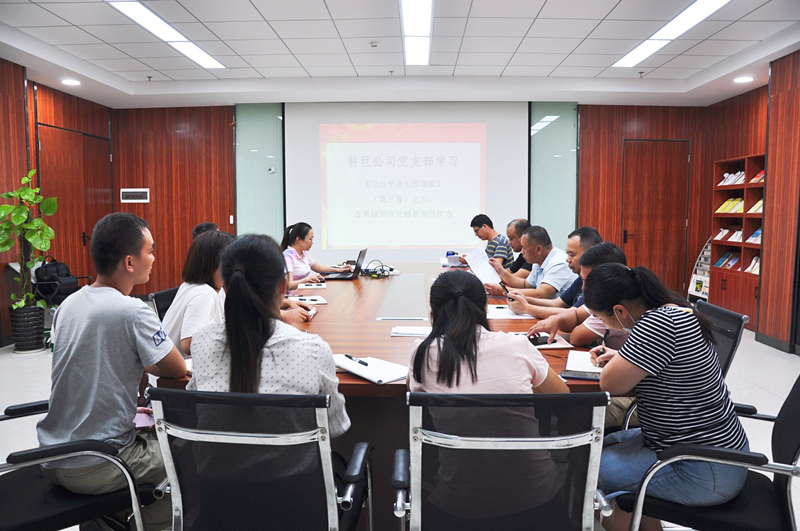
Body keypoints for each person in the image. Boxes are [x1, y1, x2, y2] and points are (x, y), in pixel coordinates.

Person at [187, 234, 353, 529]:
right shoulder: (312, 348)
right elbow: (336, 427)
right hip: (298, 511)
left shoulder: (202, 342)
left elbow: (195, 405)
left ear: (226, 285)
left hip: (220, 508)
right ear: (282, 288)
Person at [36, 213, 187, 531]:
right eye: (150, 251)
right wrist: (147, 356)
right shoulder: (131, 310)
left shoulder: (69, 304)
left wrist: (126, 408)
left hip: (54, 455)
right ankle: (135, 523)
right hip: (99, 462)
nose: (154, 258)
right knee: (188, 455)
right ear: (130, 262)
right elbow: (175, 367)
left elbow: (90, 370)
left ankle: (108, 519)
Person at [583, 264, 749, 531]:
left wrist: (622, 358)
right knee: (593, 449)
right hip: (705, 451)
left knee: (587, 470)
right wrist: (624, 357)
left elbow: (610, 383)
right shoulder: (674, 310)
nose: (603, 325)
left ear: (620, 311)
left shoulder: (656, 325)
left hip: (703, 469)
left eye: (601, 318)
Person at [408, 270, 570, 529]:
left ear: (433, 312)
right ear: (485, 307)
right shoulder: (518, 346)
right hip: (538, 504)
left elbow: (415, 394)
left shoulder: (422, 353)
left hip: (458, 507)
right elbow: (563, 396)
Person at [163, 230, 234, 357]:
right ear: (212, 263)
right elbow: (189, 344)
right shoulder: (204, 294)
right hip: (182, 368)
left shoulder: (202, 287)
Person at [507, 226, 602, 318]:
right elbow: (557, 303)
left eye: (572, 255)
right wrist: (525, 299)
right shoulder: (581, 279)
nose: (567, 259)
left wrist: (527, 308)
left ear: (589, 255)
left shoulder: (599, 283)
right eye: (567, 253)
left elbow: (575, 313)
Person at [486, 225, 576, 299]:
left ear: (538, 249)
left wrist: (503, 290)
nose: (522, 252)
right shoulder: (539, 261)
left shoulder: (558, 262)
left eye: (524, 248)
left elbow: (542, 294)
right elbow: (525, 284)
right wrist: (501, 271)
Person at [281, 222, 352, 289]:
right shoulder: (288, 256)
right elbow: (288, 285)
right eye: (310, 239)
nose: (312, 242)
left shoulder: (303, 253)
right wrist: (306, 280)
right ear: (299, 239)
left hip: (303, 291)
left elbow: (319, 268)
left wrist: (339, 270)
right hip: (293, 295)